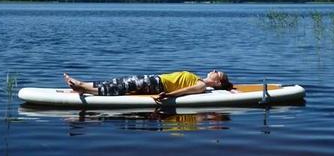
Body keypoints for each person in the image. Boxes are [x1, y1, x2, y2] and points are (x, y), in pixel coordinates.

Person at [63, 70, 233, 103]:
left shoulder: (201, 85)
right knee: (118, 81)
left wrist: (169, 95)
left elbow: (187, 91)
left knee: (123, 87)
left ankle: (84, 89)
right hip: (154, 79)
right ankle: (81, 84)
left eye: (218, 73)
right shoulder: (199, 79)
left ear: (217, 82)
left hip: (156, 84)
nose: (214, 70)